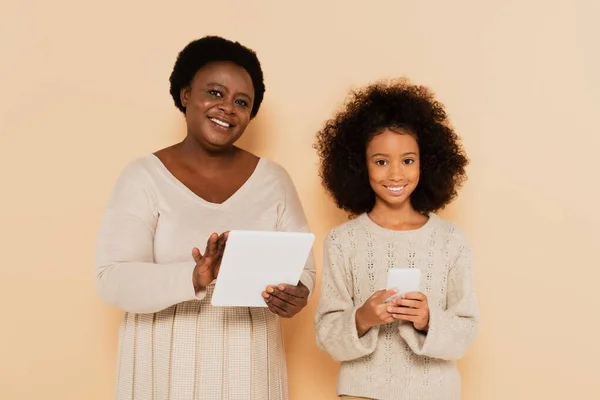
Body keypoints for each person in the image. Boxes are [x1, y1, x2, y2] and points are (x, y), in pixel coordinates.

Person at [94, 35, 315, 400]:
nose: (228, 107)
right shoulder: (142, 177)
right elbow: (111, 279)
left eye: (241, 102)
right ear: (185, 95)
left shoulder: (274, 180)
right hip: (161, 372)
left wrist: (297, 294)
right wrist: (194, 276)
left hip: (251, 372)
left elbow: (302, 270)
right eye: (215, 93)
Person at [313, 79, 479, 400]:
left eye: (407, 160)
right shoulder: (342, 241)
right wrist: (362, 318)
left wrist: (428, 319)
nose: (395, 175)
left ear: (425, 163)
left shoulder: (451, 240)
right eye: (380, 161)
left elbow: (467, 329)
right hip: (361, 394)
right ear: (360, 165)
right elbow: (326, 332)